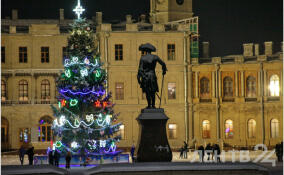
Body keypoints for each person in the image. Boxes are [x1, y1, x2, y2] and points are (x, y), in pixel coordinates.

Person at [137, 43, 167, 109]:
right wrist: (164, 70)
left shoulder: (143, 58)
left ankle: (149, 105)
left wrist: (139, 77)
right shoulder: (155, 57)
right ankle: (153, 105)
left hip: (146, 77)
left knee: (147, 92)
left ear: (146, 50)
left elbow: (140, 69)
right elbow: (163, 64)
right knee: (153, 91)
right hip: (153, 76)